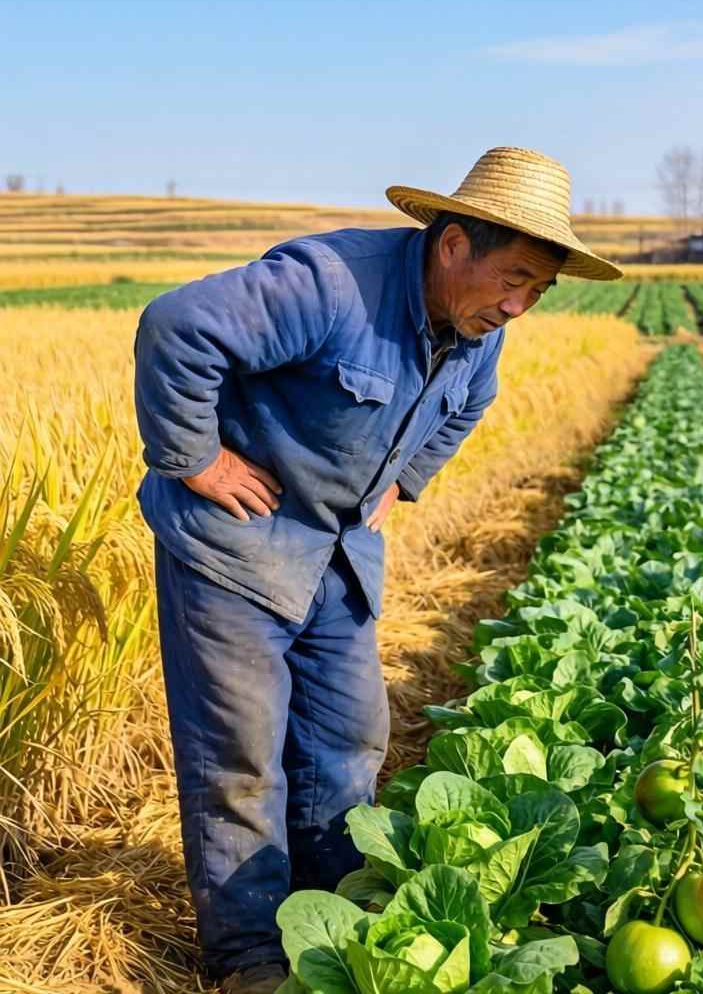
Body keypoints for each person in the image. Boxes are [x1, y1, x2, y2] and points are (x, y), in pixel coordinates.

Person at [133, 146, 621, 992]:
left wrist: (403, 479)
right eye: (512, 278)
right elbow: (178, 327)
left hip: (338, 557)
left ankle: (329, 919)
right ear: (451, 243)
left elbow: (468, 405)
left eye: (538, 290)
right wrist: (197, 461)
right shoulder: (331, 283)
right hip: (233, 549)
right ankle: (248, 955)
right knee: (241, 759)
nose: (518, 305)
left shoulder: (477, 331)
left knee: (349, 740)